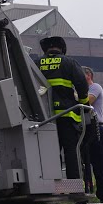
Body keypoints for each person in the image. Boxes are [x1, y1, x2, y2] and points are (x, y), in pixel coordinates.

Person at [34, 35, 90, 182]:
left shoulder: (35, 63)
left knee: (51, 153)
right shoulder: (69, 62)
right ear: (62, 49)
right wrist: (85, 105)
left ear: (46, 49)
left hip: (44, 118)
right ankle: (75, 187)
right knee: (71, 151)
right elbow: (82, 85)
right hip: (67, 115)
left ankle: (54, 184)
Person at [80, 66, 103, 202]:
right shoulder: (80, 92)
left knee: (99, 165)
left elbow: (87, 101)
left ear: (88, 75)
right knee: (85, 164)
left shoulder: (95, 87)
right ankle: (85, 194)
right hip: (84, 130)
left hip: (97, 128)